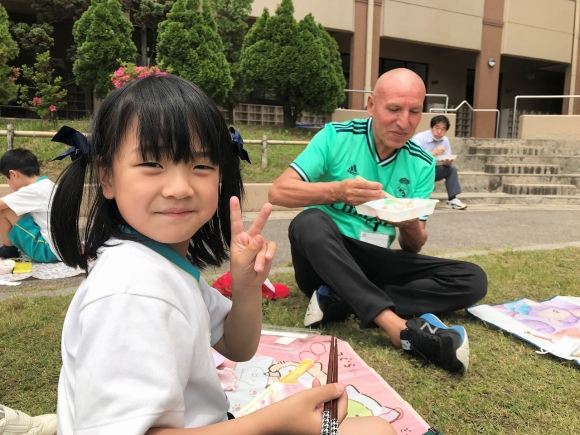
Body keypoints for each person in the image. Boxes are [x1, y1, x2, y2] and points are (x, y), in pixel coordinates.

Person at [50, 75, 393, 435]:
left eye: (201, 166)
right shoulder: (131, 293)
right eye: (152, 164)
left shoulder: (162, 264)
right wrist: (274, 423)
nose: (180, 188)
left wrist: (246, 286)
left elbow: (237, 346)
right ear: (106, 177)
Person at [269, 68, 487, 374]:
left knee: (472, 278)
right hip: (326, 259)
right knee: (308, 223)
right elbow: (278, 191)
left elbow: (413, 247)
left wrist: (407, 220)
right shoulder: (336, 137)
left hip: (376, 260)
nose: (404, 122)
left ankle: (343, 302)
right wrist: (338, 190)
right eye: (394, 109)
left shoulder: (422, 163)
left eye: (414, 112)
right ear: (371, 106)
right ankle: (396, 327)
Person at [0, 149, 59, 262]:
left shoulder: (33, 191)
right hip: (63, 249)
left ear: (13, 174)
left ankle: (8, 251)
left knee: (5, 209)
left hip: (48, 251)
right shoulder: (49, 184)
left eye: (6, 179)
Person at [412, 115, 467, 210]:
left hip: (432, 170)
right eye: (437, 128)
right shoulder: (419, 138)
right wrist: (434, 153)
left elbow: (447, 156)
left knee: (451, 169)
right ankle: (416, 198)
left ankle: (452, 199)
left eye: (443, 129)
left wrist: (447, 162)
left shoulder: (445, 140)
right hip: (416, 172)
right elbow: (414, 160)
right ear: (431, 127)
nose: (439, 132)